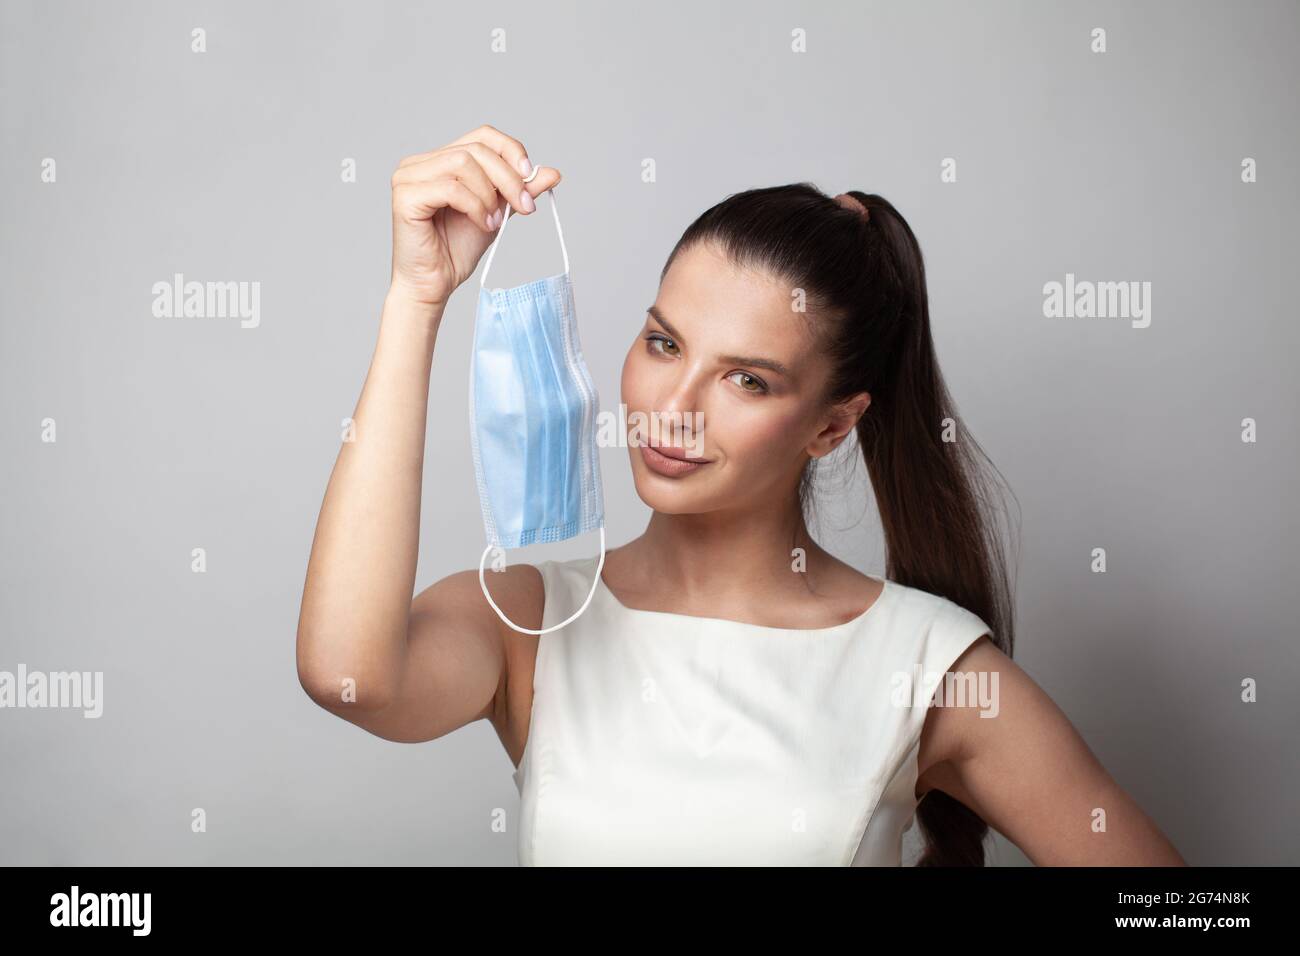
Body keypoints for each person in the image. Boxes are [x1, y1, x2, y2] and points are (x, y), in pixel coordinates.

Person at [295, 124, 1187, 867]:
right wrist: (416, 301)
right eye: (664, 344)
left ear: (833, 426)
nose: (672, 411)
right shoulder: (532, 621)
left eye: (747, 381)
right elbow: (348, 679)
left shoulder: (926, 666)